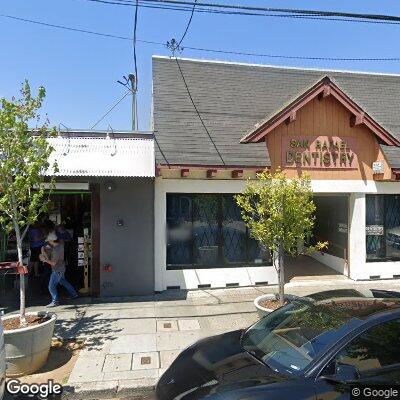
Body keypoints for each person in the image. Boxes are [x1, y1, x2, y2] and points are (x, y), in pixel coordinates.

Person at [39, 231, 78, 307]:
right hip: (61, 268)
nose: (47, 241)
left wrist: (45, 260)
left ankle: (55, 301)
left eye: (48, 239)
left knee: (51, 286)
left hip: (57, 270)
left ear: (52, 240)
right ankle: (74, 294)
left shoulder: (56, 250)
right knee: (63, 282)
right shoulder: (59, 245)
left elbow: (53, 263)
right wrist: (44, 252)